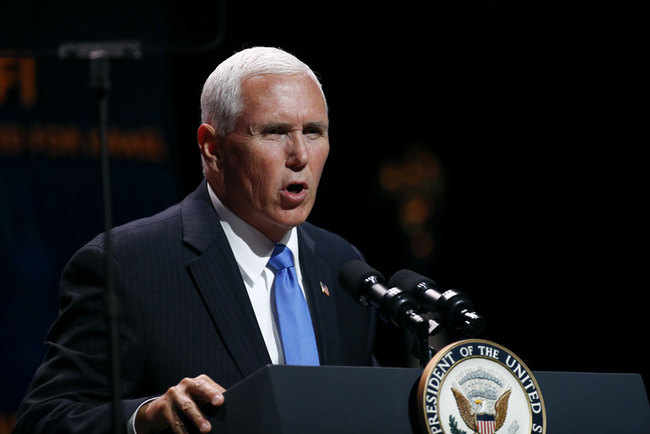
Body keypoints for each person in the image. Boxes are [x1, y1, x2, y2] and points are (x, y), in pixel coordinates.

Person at [13, 47, 376, 434]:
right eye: (274, 132)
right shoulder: (128, 266)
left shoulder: (342, 266)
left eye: (313, 132)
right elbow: (42, 421)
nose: (300, 155)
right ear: (211, 147)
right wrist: (146, 418)